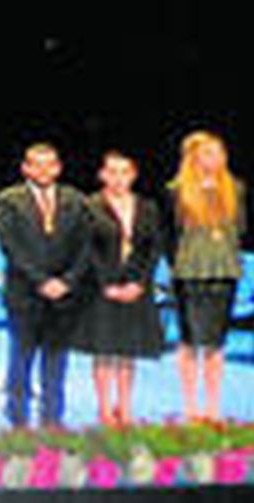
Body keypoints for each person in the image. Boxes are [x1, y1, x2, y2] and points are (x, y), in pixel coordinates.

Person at [0, 143, 91, 430]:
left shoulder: (76, 200)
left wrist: (67, 281)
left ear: (58, 168)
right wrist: (41, 281)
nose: (43, 170)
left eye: (49, 164)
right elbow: (11, 247)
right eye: (36, 164)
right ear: (25, 168)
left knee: (56, 361)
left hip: (64, 295)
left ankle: (52, 418)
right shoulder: (9, 200)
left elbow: (85, 247)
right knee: (21, 358)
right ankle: (18, 419)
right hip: (25, 294)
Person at [73, 151, 165, 427]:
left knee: (127, 351)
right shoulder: (89, 206)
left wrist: (139, 283)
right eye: (112, 171)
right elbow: (85, 248)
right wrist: (106, 284)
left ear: (133, 175)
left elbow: (154, 248)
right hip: (100, 289)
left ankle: (124, 408)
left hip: (137, 288)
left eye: (124, 172)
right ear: (102, 175)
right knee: (104, 350)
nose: (118, 178)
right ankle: (103, 409)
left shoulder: (148, 207)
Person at [166, 131, 248, 423]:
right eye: (208, 153)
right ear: (193, 157)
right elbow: (170, 235)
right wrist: (179, 264)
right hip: (190, 272)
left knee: (216, 342)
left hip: (224, 270)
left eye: (219, 152)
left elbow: (240, 228)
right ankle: (191, 408)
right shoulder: (176, 190)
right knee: (190, 341)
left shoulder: (235, 189)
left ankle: (213, 409)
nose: (216, 159)